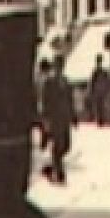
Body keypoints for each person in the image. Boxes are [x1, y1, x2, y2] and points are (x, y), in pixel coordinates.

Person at [39, 56, 75, 184]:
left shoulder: (66, 81)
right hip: (54, 118)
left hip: (65, 118)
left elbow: (70, 100)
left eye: (62, 65)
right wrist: (46, 119)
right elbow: (45, 101)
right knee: (58, 145)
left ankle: (50, 168)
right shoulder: (49, 83)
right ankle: (59, 174)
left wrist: (73, 116)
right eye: (58, 65)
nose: (60, 68)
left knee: (66, 146)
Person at [89, 55, 110, 126]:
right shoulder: (97, 72)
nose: (99, 63)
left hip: (101, 92)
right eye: (98, 61)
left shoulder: (103, 72)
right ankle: (100, 119)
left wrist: (107, 90)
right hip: (98, 92)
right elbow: (92, 82)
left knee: (101, 106)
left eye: (99, 61)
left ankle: (101, 119)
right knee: (99, 106)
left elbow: (108, 82)